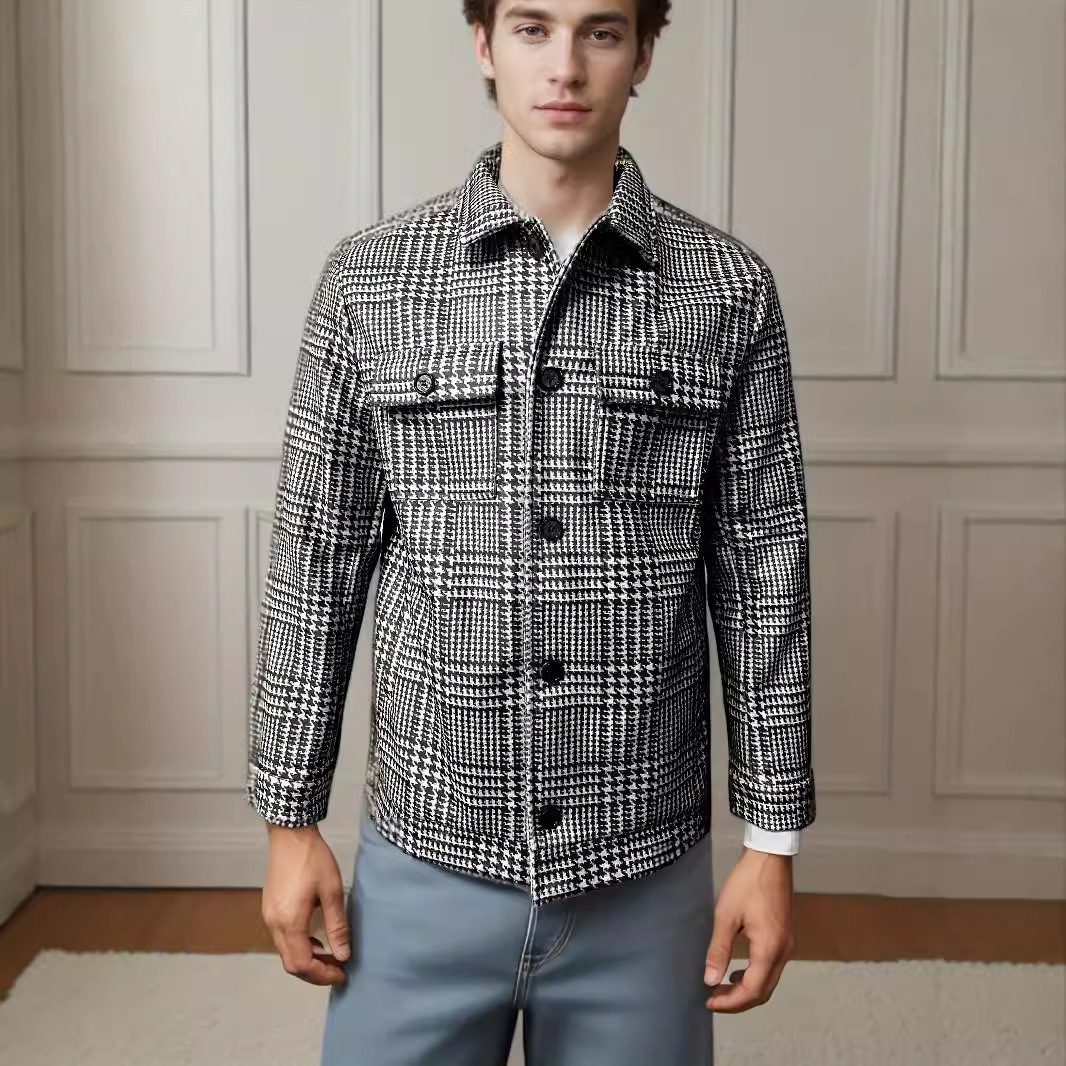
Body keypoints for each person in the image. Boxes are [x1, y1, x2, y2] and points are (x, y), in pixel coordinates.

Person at [246, 1, 816, 1062]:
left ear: (643, 53)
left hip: (643, 873)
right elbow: (313, 563)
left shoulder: (728, 290)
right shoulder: (369, 281)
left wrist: (771, 842)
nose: (564, 67)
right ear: (482, 43)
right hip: (424, 857)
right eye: (530, 27)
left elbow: (763, 572)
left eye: (600, 32)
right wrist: (290, 818)